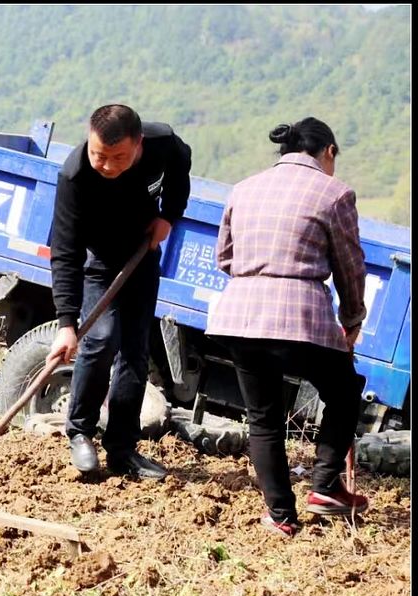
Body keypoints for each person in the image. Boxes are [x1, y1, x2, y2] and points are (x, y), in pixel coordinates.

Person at [207, 118, 369, 538]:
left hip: (240, 316)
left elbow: (224, 258)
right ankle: (325, 486)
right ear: (328, 152)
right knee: (344, 394)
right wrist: (352, 320)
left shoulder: (244, 188)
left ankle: (281, 516)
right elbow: (349, 267)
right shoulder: (335, 193)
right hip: (300, 317)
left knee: (264, 420)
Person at [47, 104, 192, 480]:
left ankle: (122, 449)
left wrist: (168, 216)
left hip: (142, 255)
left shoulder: (163, 143)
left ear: (139, 143)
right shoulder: (75, 175)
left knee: (135, 351)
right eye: (100, 155)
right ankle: (80, 433)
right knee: (101, 339)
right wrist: (66, 323)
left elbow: (182, 166)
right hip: (99, 262)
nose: (108, 166)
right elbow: (65, 251)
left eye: (119, 157)